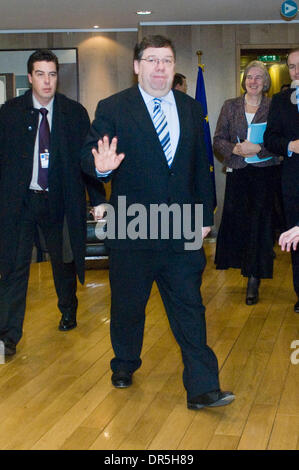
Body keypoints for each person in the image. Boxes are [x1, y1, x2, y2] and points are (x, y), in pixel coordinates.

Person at [81, 35, 235, 410]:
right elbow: (90, 155)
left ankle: (202, 387)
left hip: (181, 226)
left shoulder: (188, 107)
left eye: (166, 60)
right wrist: (99, 167)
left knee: (189, 307)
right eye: (151, 60)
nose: (160, 68)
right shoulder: (114, 107)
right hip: (132, 226)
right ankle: (125, 363)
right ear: (137, 66)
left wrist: (203, 215)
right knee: (128, 306)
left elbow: (201, 164)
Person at [0, 49, 105, 357]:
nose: (47, 81)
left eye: (52, 74)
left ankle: (68, 308)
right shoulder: (9, 113)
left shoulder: (74, 113)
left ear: (58, 78)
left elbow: (88, 161)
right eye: (41, 74)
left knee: (63, 261)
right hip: (21, 202)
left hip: (60, 200)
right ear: (30, 77)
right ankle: (8, 337)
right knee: (15, 267)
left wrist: (98, 198)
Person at [213, 60, 281, 305]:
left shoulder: (275, 107)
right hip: (238, 172)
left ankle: (254, 276)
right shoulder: (229, 106)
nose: (253, 81)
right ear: (244, 81)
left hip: (265, 175)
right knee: (240, 223)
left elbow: (282, 144)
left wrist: (259, 148)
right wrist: (235, 149)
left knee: (260, 225)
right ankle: (243, 265)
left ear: (265, 83)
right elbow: (218, 139)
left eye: (258, 77)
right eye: (249, 77)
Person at [264, 48, 299, 313]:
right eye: (292, 66)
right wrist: (290, 145)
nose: (296, 71)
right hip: (293, 181)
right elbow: (270, 139)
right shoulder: (280, 100)